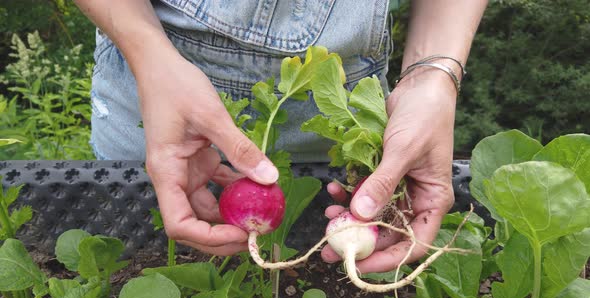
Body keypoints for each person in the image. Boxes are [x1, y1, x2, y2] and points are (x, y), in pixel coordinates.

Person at [74, 0, 488, 273]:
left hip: (344, 112)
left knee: (323, 257)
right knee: (140, 257)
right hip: (156, 91)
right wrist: (149, 56)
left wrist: (432, 77)